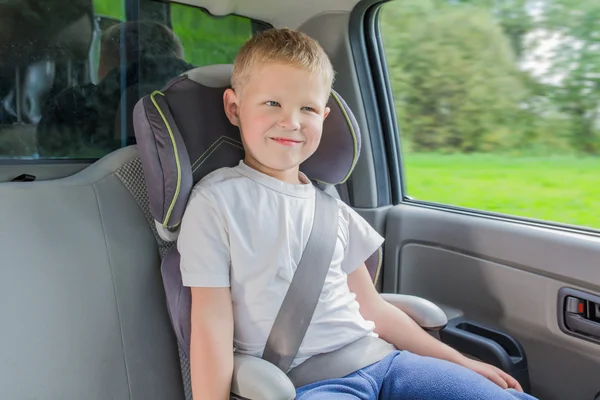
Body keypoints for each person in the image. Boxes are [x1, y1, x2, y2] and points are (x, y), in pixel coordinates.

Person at [176, 28, 539, 400]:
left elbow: (373, 309)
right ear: (234, 108)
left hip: (385, 363)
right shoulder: (215, 203)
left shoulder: (332, 209)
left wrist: (460, 362)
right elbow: (211, 323)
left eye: (308, 108)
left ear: (324, 115)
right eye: (272, 103)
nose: (292, 122)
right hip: (306, 383)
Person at [36, 20, 192, 158]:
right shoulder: (205, 98)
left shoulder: (75, 108)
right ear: (178, 57)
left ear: (112, 64)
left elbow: (48, 155)